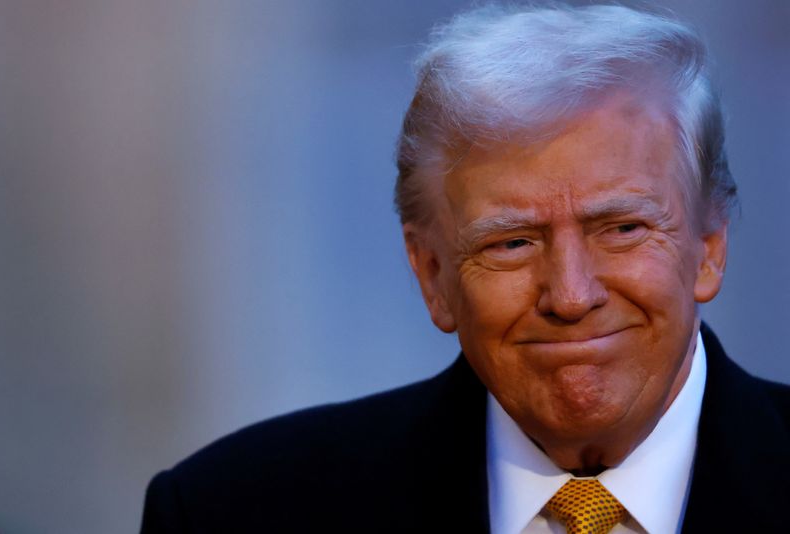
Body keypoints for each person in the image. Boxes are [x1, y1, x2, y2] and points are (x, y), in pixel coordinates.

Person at [141, 4, 790, 533]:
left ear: (709, 246)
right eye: (511, 243)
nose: (570, 294)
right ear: (431, 275)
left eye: (621, 229)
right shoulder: (231, 514)